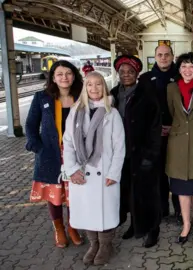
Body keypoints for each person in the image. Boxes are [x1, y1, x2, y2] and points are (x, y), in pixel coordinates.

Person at [62, 72, 125, 265]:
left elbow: (119, 145)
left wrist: (114, 173)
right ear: (85, 88)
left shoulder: (111, 113)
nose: (94, 89)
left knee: (104, 211)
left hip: (104, 172)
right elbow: (69, 142)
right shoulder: (75, 111)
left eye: (98, 85)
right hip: (82, 172)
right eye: (90, 85)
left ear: (104, 88)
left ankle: (106, 245)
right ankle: (93, 244)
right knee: (87, 211)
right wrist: (71, 169)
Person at [25, 60, 84, 248]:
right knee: (55, 193)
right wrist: (38, 147)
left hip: (77, 154)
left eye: (68, 73)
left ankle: (73, 226)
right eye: (60, 74)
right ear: (53, 77)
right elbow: (31, 125)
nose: (64, 77)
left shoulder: (82, 96)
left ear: (74, 75)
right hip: (52, 153)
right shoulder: (42, 97)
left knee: (75, 192)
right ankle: (59, 228)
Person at [110, 55, 164, 248]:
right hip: (121, 154)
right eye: (122, 72)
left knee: (148, 195)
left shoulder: (147, 93)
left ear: (137, 73)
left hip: (143, 154)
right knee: (128, 193)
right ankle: (134, 225)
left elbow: (155, 126)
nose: (126, 75)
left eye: (130, 72)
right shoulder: (114, 94)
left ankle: (153, 230)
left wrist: (151, 155)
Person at [142, 44, 181, 224]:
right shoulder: (145, 79)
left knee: (177, 174)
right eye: (160, 55)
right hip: (155, 136)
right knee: (158, 175)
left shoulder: (182, 76)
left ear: (173, 56)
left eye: (167, 54)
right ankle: (162, 210)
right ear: (155, 57)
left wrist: (173, 126)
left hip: (178, 134)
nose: (163, 58)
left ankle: (179, 211)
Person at [165, 52, 193, 244]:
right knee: (183, 189)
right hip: (178, 145)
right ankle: (186, 224)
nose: (188, 70)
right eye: (184, 66)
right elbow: (172, 113)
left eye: (192, 66)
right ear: (179, 69)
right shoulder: (171, 88)